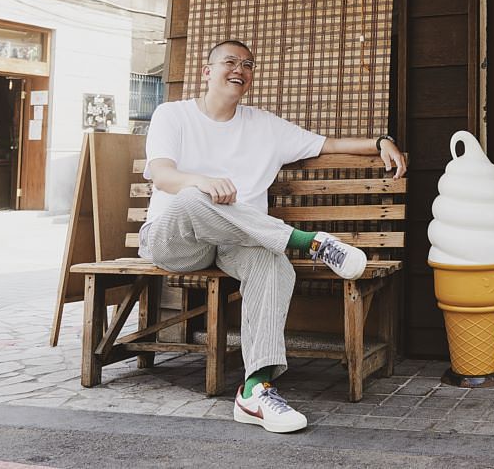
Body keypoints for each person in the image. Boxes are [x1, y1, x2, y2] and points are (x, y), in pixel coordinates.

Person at [138, 39, 407, 433]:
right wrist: (202, 181)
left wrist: (381, 141)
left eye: (248, 65)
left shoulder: (265, 126)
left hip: (233, 244)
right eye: (230, 61)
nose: (240, 70)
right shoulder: (173, 115)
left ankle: (256, 390)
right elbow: (162, 175)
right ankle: (309, 242)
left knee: (272, 261)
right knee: (192, 197)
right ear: (207, 71)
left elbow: (328, 144)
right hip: (175, 239)